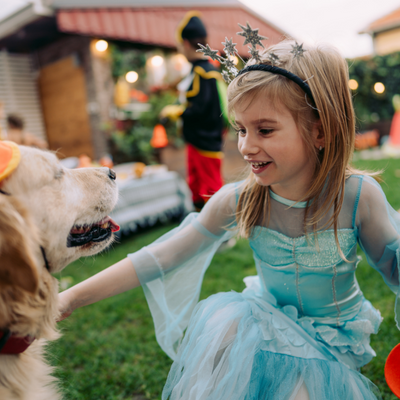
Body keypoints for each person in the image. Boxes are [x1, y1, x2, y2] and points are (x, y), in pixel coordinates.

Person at [57, 38, 400, 400]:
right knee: (223, 339)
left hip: (331, 341)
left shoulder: (356, 197)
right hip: (265, 325)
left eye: (264, 130)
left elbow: (395, 267)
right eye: (240, 129)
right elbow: (161, 256)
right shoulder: (241, 199)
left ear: (320, 131)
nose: (246, 146)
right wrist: (71, 299)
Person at [160, 12, 225, 211]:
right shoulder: (198, 71)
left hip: (206, 140)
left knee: (211, 187)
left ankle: (224, 233)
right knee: (197, 186)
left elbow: (201, 110)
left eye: (180, 46)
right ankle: (202, 228)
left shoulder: (204, 73)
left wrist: (177, 112)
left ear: (186, 43)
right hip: (196, 140)